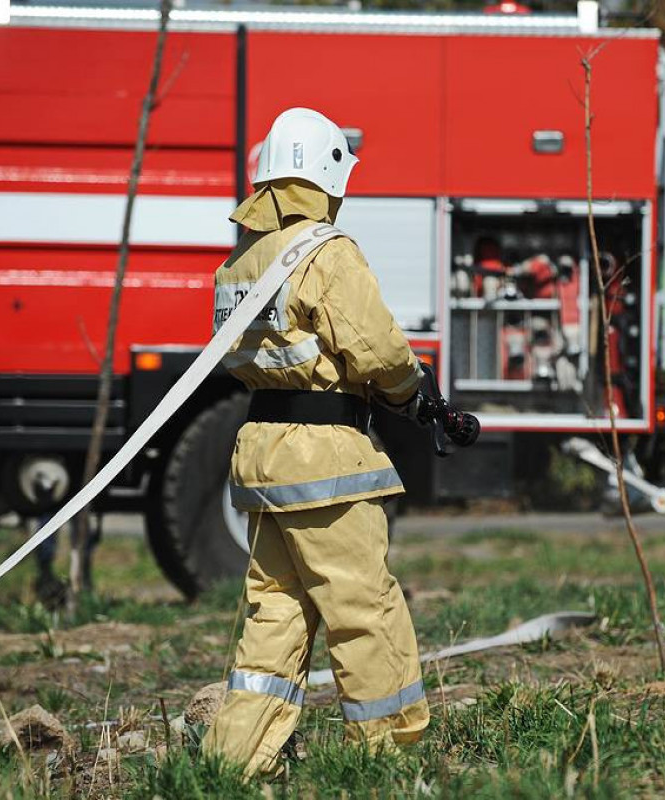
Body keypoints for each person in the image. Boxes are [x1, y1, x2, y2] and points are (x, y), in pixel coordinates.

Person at [202, 108, 429, 776]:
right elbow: (378, 350)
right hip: (325, 456)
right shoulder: (327, 253)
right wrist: (414, 393)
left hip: (263, 452)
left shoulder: (241, 261)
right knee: (364, 604)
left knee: (274, 612)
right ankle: (387, 754)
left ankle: (235, 760)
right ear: (326, 176)